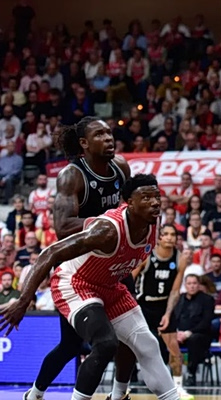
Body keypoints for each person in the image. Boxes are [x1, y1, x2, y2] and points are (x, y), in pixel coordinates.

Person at [0, 175, 180, 400]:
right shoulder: (107, 230)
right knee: (104, 344)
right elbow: (50, 253)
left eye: (157, 197)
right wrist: (23, 300)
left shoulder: (154, 223)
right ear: (129, 203)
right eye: (146, 197)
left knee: (148, 344)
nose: (154, 203)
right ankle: (42, 394)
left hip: (109, 284)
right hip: (76, 284)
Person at [23, 116, 136, 400]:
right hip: (78, 270)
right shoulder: (71, 176)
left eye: (109, 133)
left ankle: (119, 395)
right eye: (100, 135)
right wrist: (106, 225)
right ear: (84, 143)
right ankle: (35, 394)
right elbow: (62, 226)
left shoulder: (121, 167)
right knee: (70, 346)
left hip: (114, 265)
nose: (108, 138)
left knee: (130, 337)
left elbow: (131, 208)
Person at [133, 223, 192, 399]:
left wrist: (167, 314)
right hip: (143, 305)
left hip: (164, 306)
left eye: (173, 234)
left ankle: (178, 387)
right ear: (158, 238)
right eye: (165, 234)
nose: (169, 237)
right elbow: (129, 279)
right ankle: (122, 385)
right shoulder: (146, 255)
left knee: (174, 348)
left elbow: (175, 291)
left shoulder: (180, 259)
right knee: (130, 347)